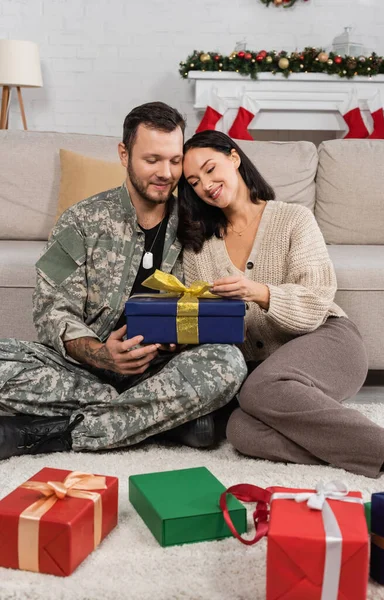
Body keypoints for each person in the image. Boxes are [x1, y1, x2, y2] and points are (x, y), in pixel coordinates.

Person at [0, 103, 247, 460]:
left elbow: (208, 310)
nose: (166, 173)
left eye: (175, 161)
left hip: (161, 372)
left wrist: (180, 339)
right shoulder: (82, 220)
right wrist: (101, 354)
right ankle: (171, 419)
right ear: (123, 154)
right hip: (81, 372)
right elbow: (51, 309)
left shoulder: (199, 224)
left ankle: (53, 434)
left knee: (228, 363)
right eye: (152, 160)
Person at [178, 129, 384, 478]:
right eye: (193, 181)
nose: (205, 184)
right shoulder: (198, 247)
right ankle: (375, 448)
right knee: (240, 430)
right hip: (266, 374)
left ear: (233, 158)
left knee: (258, 390)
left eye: (210, 169)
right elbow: (206, 323)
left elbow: (316, 300)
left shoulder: (293, 218)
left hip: (329, 343)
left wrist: (258, 292)